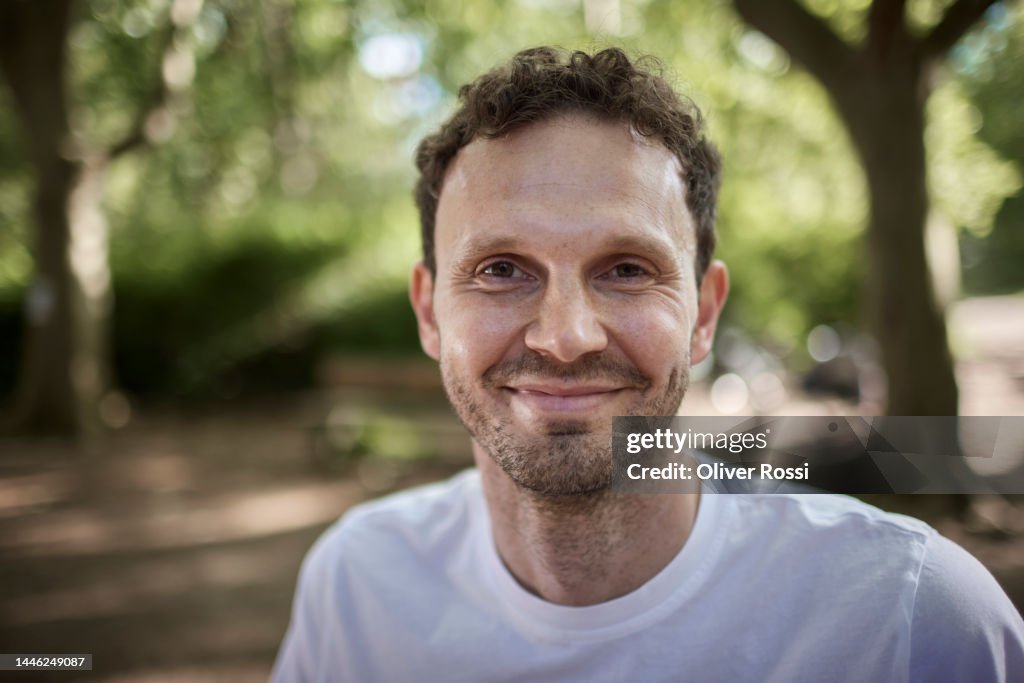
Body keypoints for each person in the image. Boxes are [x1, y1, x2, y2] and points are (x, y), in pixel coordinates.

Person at [272, 46, 1024, 682]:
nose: (565, 337)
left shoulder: (911, 616)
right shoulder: (355, 587)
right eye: (502, 269)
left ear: (703, 313)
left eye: (626, 269)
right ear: (430, 309)